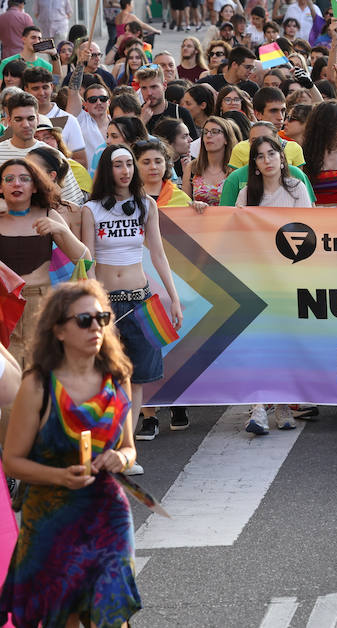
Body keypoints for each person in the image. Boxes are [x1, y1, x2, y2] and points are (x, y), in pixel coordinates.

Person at [0, 280, 141, 627]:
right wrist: (61, 476)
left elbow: (128, 448)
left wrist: (119, 459)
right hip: (52, 516)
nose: (95, 327)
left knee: (109, 615)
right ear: (59, 330)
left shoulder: (116, 376)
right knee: (64, 618)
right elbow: (12, 461)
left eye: (102, 318)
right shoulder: (38, 386)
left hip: (107, 513)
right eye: (84, 320)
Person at [79, 145, 183, 445]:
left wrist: (173, 298)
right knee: (105, 376)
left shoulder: (146, 205)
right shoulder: (92, 209)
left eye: (128, 164)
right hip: (106, 303)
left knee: (138, 378)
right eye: (118, 165)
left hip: (141, 300)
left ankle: (127, 445)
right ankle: (107, 441)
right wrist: (94, 304)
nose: (125, 171)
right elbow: (88, 261)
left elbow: (159, 254)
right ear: (106, 170)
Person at [0, 157, 89, 395]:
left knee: (42, 384)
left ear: (35, 186)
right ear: (1, 187)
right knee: (9, 389)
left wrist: (60, 230)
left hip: (41, 307)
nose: (16, 184)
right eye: (9, 179)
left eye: (24, 178)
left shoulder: (49, 213)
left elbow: (85, 260)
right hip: (3, 308)